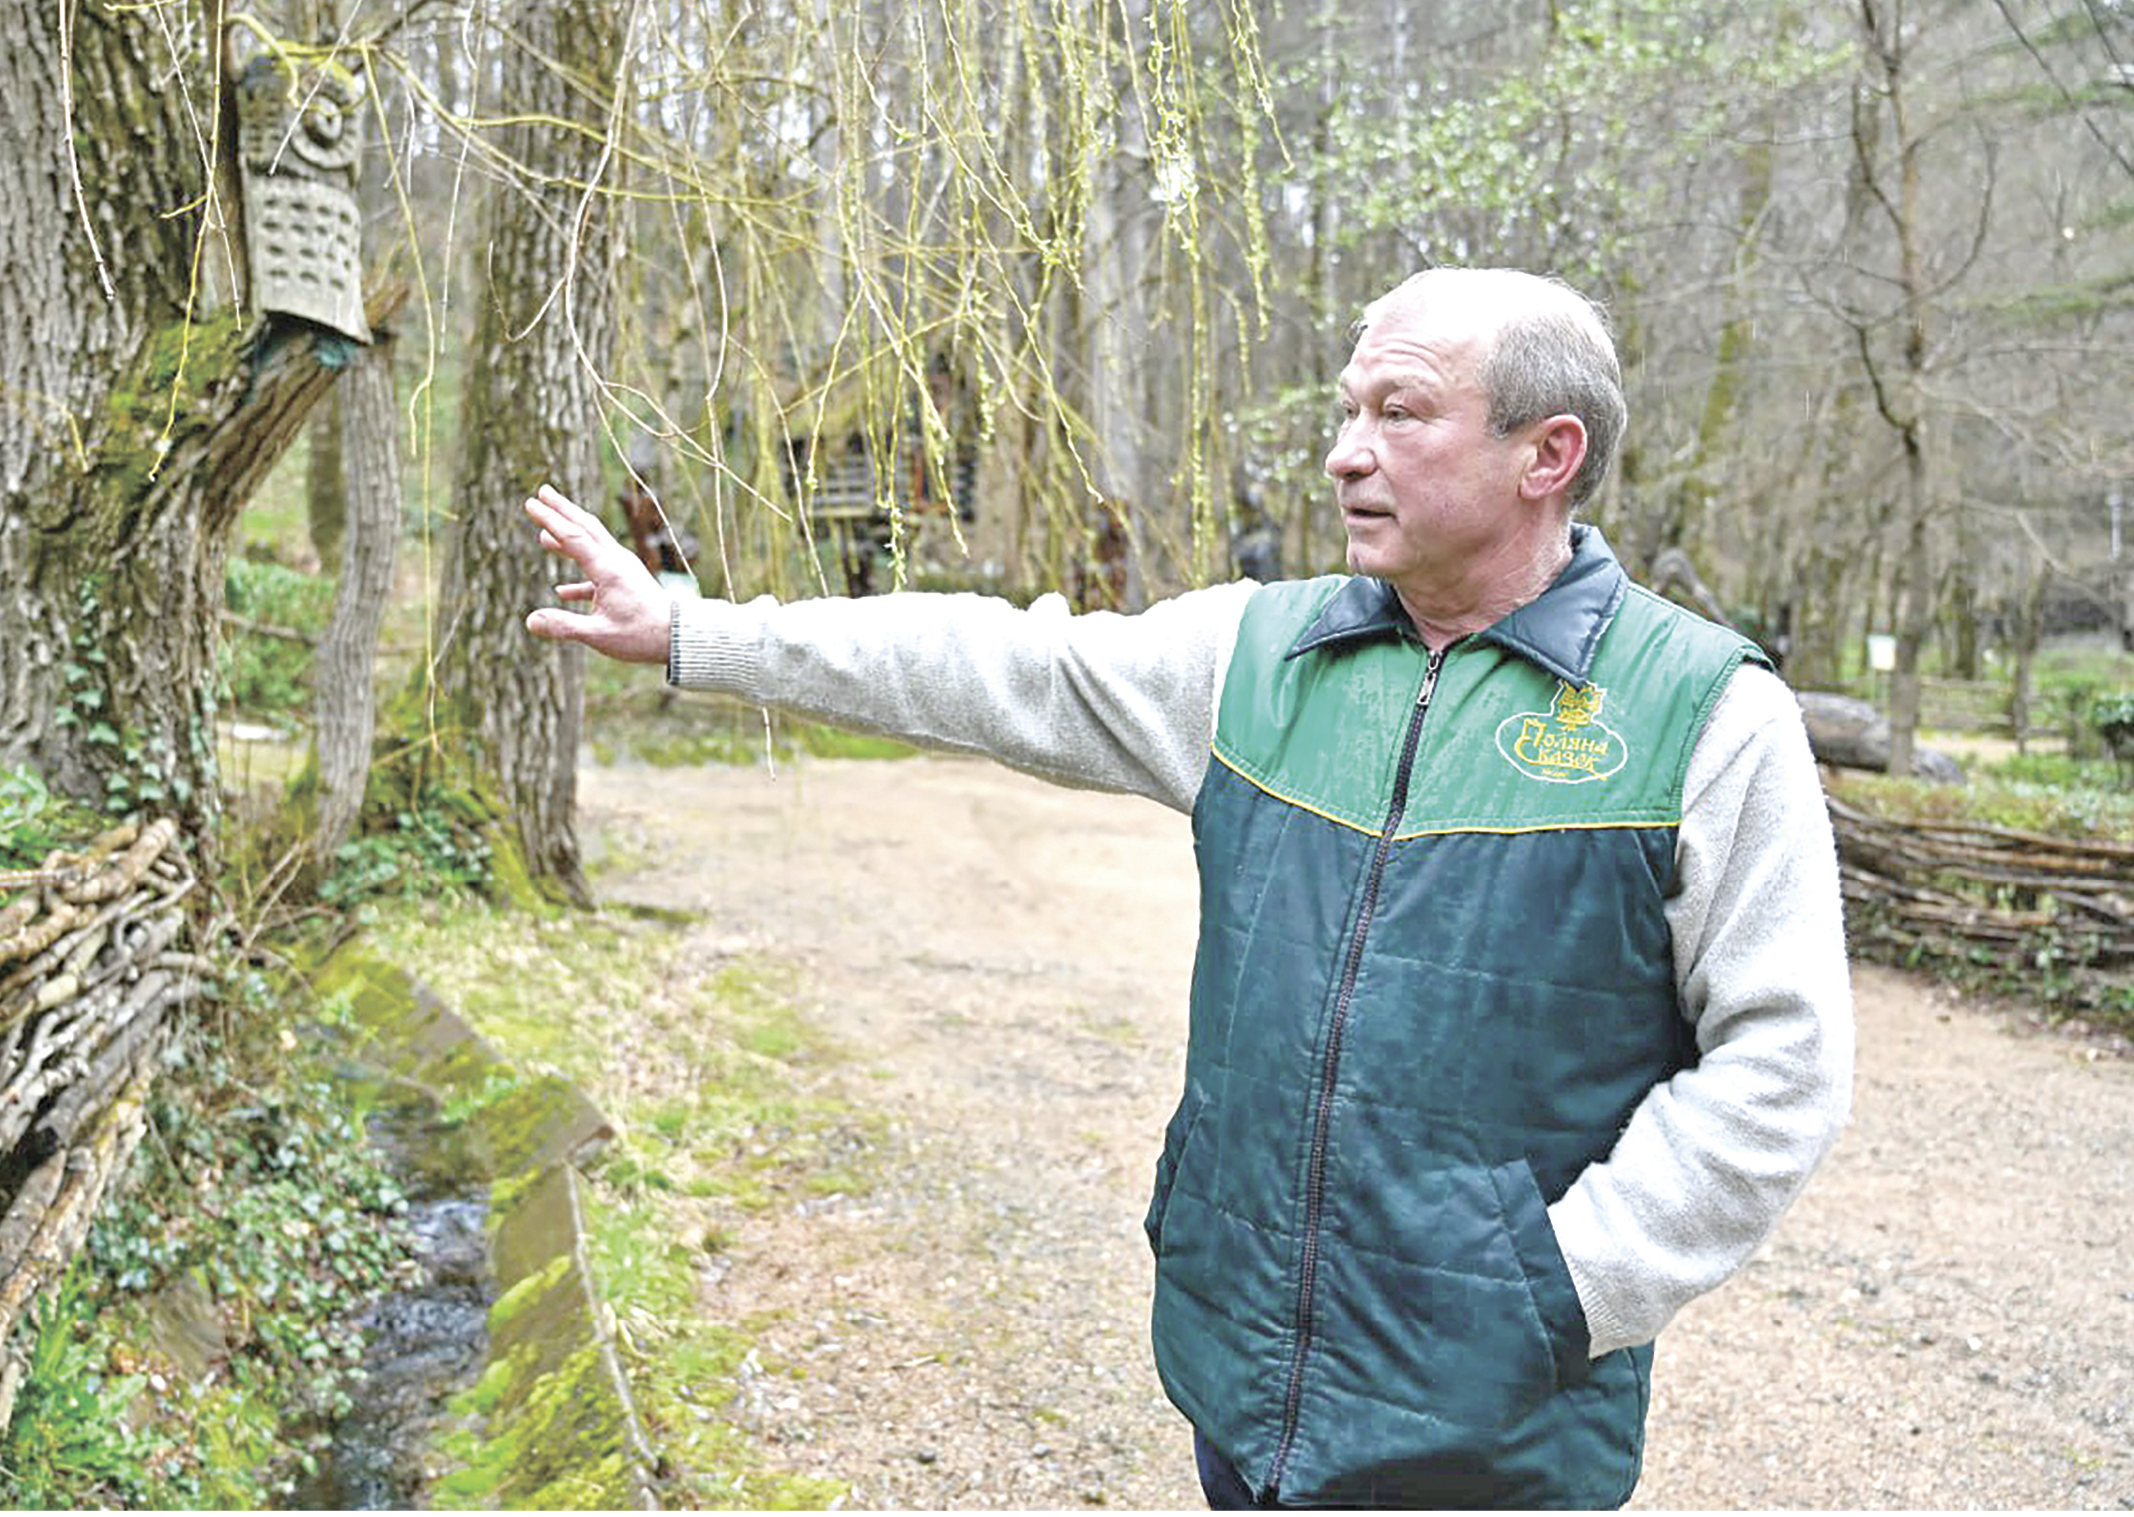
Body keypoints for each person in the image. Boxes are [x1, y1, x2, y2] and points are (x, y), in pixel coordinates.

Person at [522, 266, 1853, 1509]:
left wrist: (1559, 1284)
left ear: (1545, 455)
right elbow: (999, 667)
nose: (1345, 452)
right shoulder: (1264, 657)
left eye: (1402, 413)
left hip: (1502, 1420)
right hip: (1243, 1375)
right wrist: (694, 630)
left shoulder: (1702, 714)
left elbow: (1783, 1060)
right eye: (1347, 411)